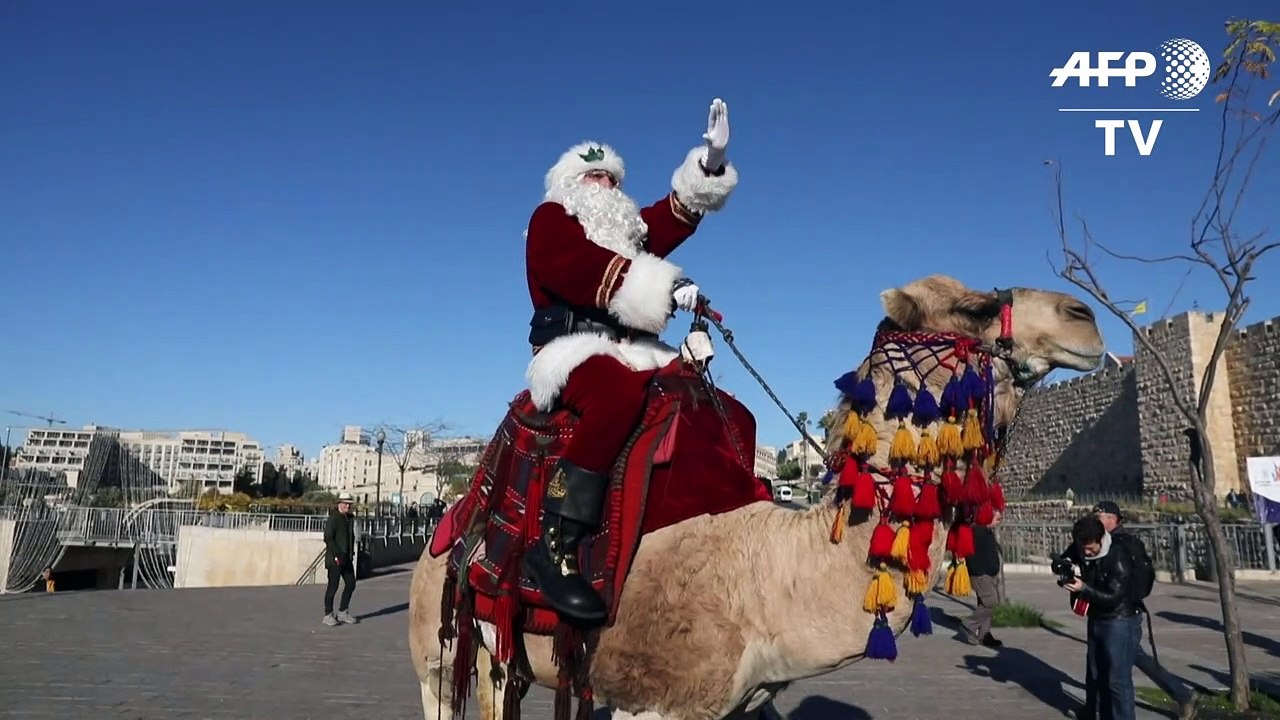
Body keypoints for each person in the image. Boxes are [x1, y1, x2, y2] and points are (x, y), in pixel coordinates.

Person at [520, 98, 740, 624]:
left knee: (710, 404)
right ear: (571, 185)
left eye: (613, 178)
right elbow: (578, 268)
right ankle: (557, 541)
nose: (607, 187)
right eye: (595, 177)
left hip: (634, 349)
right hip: (574, 349)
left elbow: (668, 218)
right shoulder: (551, 220)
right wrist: (665, 284)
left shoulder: (625, 229)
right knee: (615, 394)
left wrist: (709, 163)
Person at [1090, 501, 1198, 719]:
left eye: (1098, 517)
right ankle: (1183, 695)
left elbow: (1124, 583)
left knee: (1118, 676)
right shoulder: (1106, 542)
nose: (1095, 521)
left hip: (1122, 616)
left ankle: (1183, 695)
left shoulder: (1121, 545)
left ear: (1112, 519)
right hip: (1109, 614)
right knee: (1129, 660)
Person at [1061, 514, 1142, 720]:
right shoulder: (1081, 547)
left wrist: (1084, 589)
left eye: (1090, 549)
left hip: (1119, 620)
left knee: (1117, 681)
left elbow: (1115, 597)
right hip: (1096, 618)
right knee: (1098, 677)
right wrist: (1066, 567)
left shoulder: (1117, 555)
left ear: (1100, 539)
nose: (1086, 553)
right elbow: (1064, 559)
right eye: (1082, 548)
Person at [961, 510, 1004, 648]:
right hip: (980, 574)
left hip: (989, 574)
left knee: (984, 604)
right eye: (996, 519)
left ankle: (985, 634)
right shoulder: (976, 531)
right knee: (990, 602)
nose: (998, 522)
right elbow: (970, 554)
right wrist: (978, 571)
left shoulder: (987, 532)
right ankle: (969, 624)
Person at [322, 492, 359, 626]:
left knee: (351, 583)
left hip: (347, 558)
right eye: (345, 504)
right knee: (333, 587)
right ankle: (328, 614)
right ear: (339, 504)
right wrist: (337, 554)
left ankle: (343, 612)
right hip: (335, 559)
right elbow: (328, 537)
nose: (347, 506)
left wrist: (351, 552)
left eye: (349, 504)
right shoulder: (334, 518)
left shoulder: (349, 519)